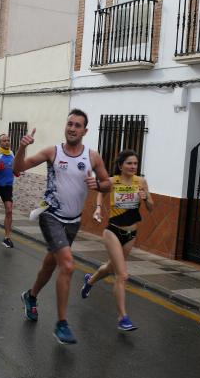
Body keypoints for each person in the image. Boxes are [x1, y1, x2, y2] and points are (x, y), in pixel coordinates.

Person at [15, 109, 110, 345]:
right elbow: (18, 168)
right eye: (70, 124)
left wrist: (98, 184)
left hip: (73, 220)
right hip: (51, 214)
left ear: (85, 131)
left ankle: (31, 295)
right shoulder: (53, 152)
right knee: (67, 265)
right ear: (65, 126)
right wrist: (21, 148)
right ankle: (61, 323)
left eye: (78, 125)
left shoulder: (93, 157)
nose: (72, 128)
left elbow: (108, 184)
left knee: (51, 263)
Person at [80, 150, 153, 331]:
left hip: (131, 233)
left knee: (111, 267)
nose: (133, 167)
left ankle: (89, 281)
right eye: (129, 163)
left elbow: (151, 208)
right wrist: (98, 208)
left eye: (135, 164)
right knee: (122, 275)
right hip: (112, 230)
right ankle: (122, 317)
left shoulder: (141, 182)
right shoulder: (112, 181)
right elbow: (100, 192)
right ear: (121, 165)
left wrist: (145, 199)